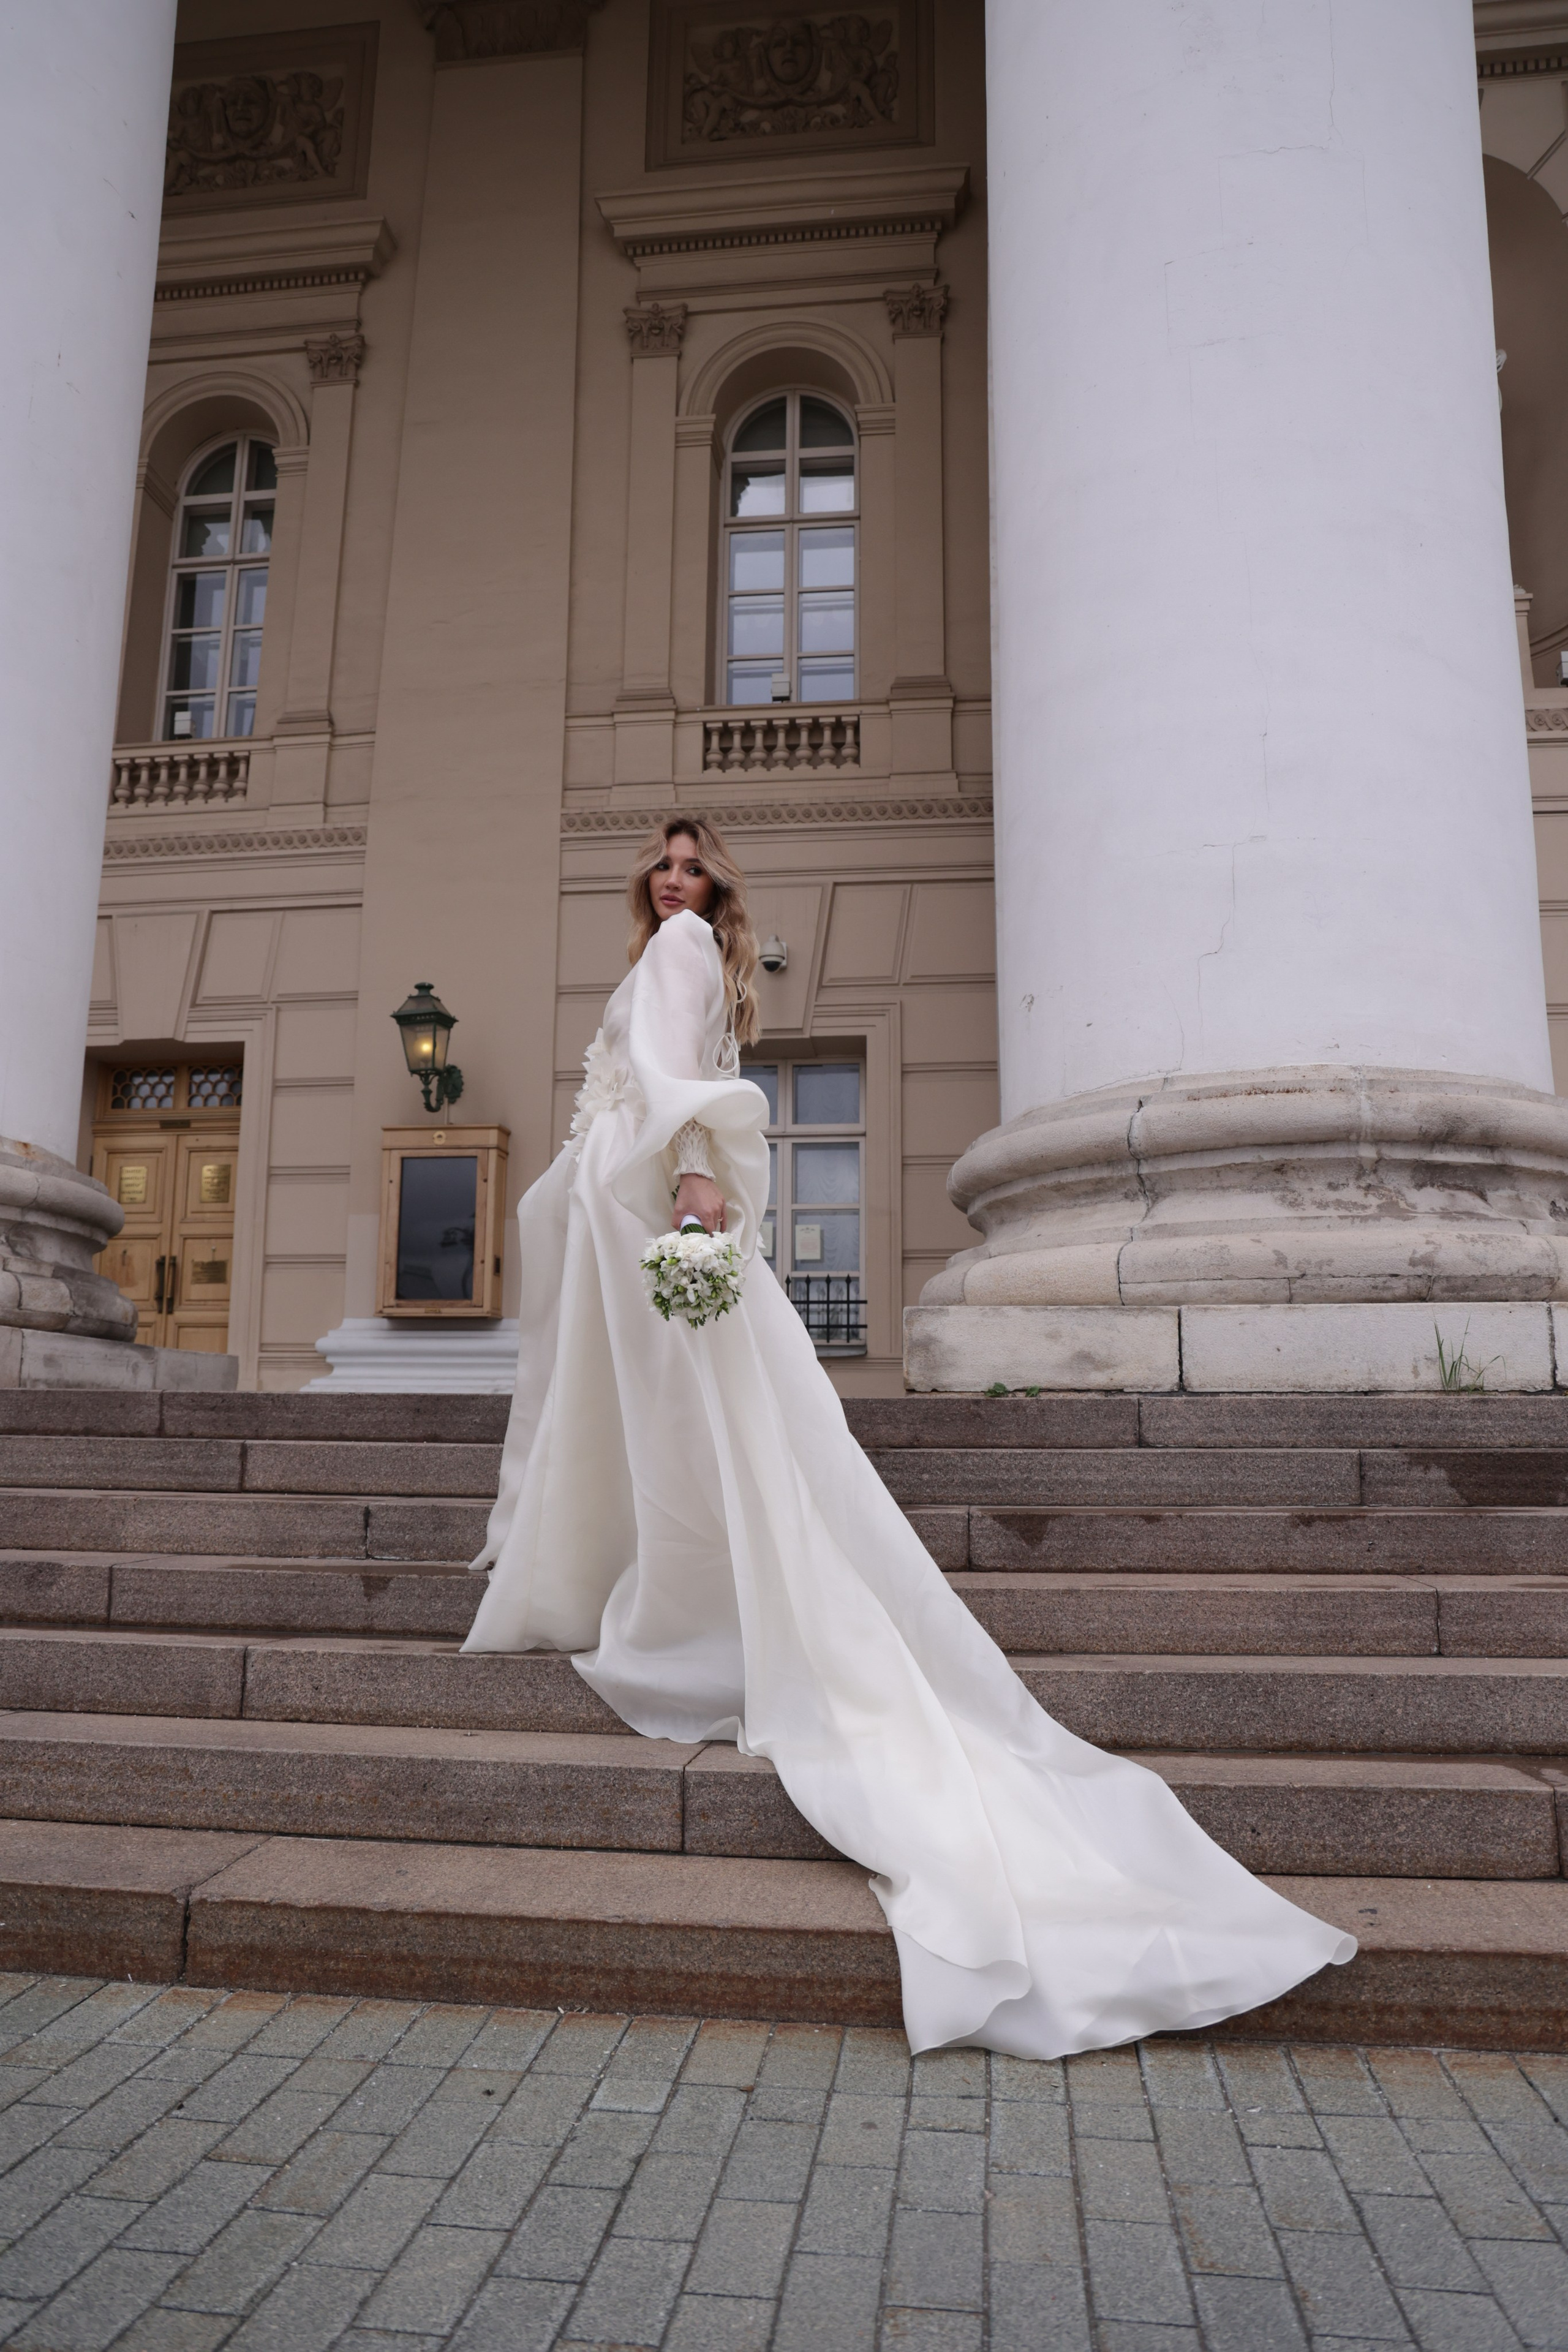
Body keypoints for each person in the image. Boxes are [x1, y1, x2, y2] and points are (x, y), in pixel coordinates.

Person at [462, 814, 1354, 2056]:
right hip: (628, 1188)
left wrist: (693, 1192)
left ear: (714, 889)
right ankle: (668, 1576)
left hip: (643, 1192)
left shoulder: (678, 949)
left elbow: (673, 1076)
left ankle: (686, 1598)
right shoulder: (691, 955)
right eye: (663, 864)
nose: (672, 881)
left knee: (679, 1415)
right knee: (682, 1417)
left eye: (693, 867)